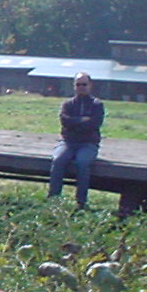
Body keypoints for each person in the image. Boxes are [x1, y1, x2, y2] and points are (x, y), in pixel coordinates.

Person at [47, 71, 103, 209]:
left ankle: (81, 202)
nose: (81, 87)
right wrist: (83, 121)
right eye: (78, 84)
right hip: (68, 142)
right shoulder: (68, 104)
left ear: (90, 85)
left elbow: (95, 124)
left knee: (82, 162)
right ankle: (53, 200)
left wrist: (74, 122)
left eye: (84, 84)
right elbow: (64, 121)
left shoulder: (97, 105)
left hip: (88, 144)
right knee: (58, 160)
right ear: (74, 86)